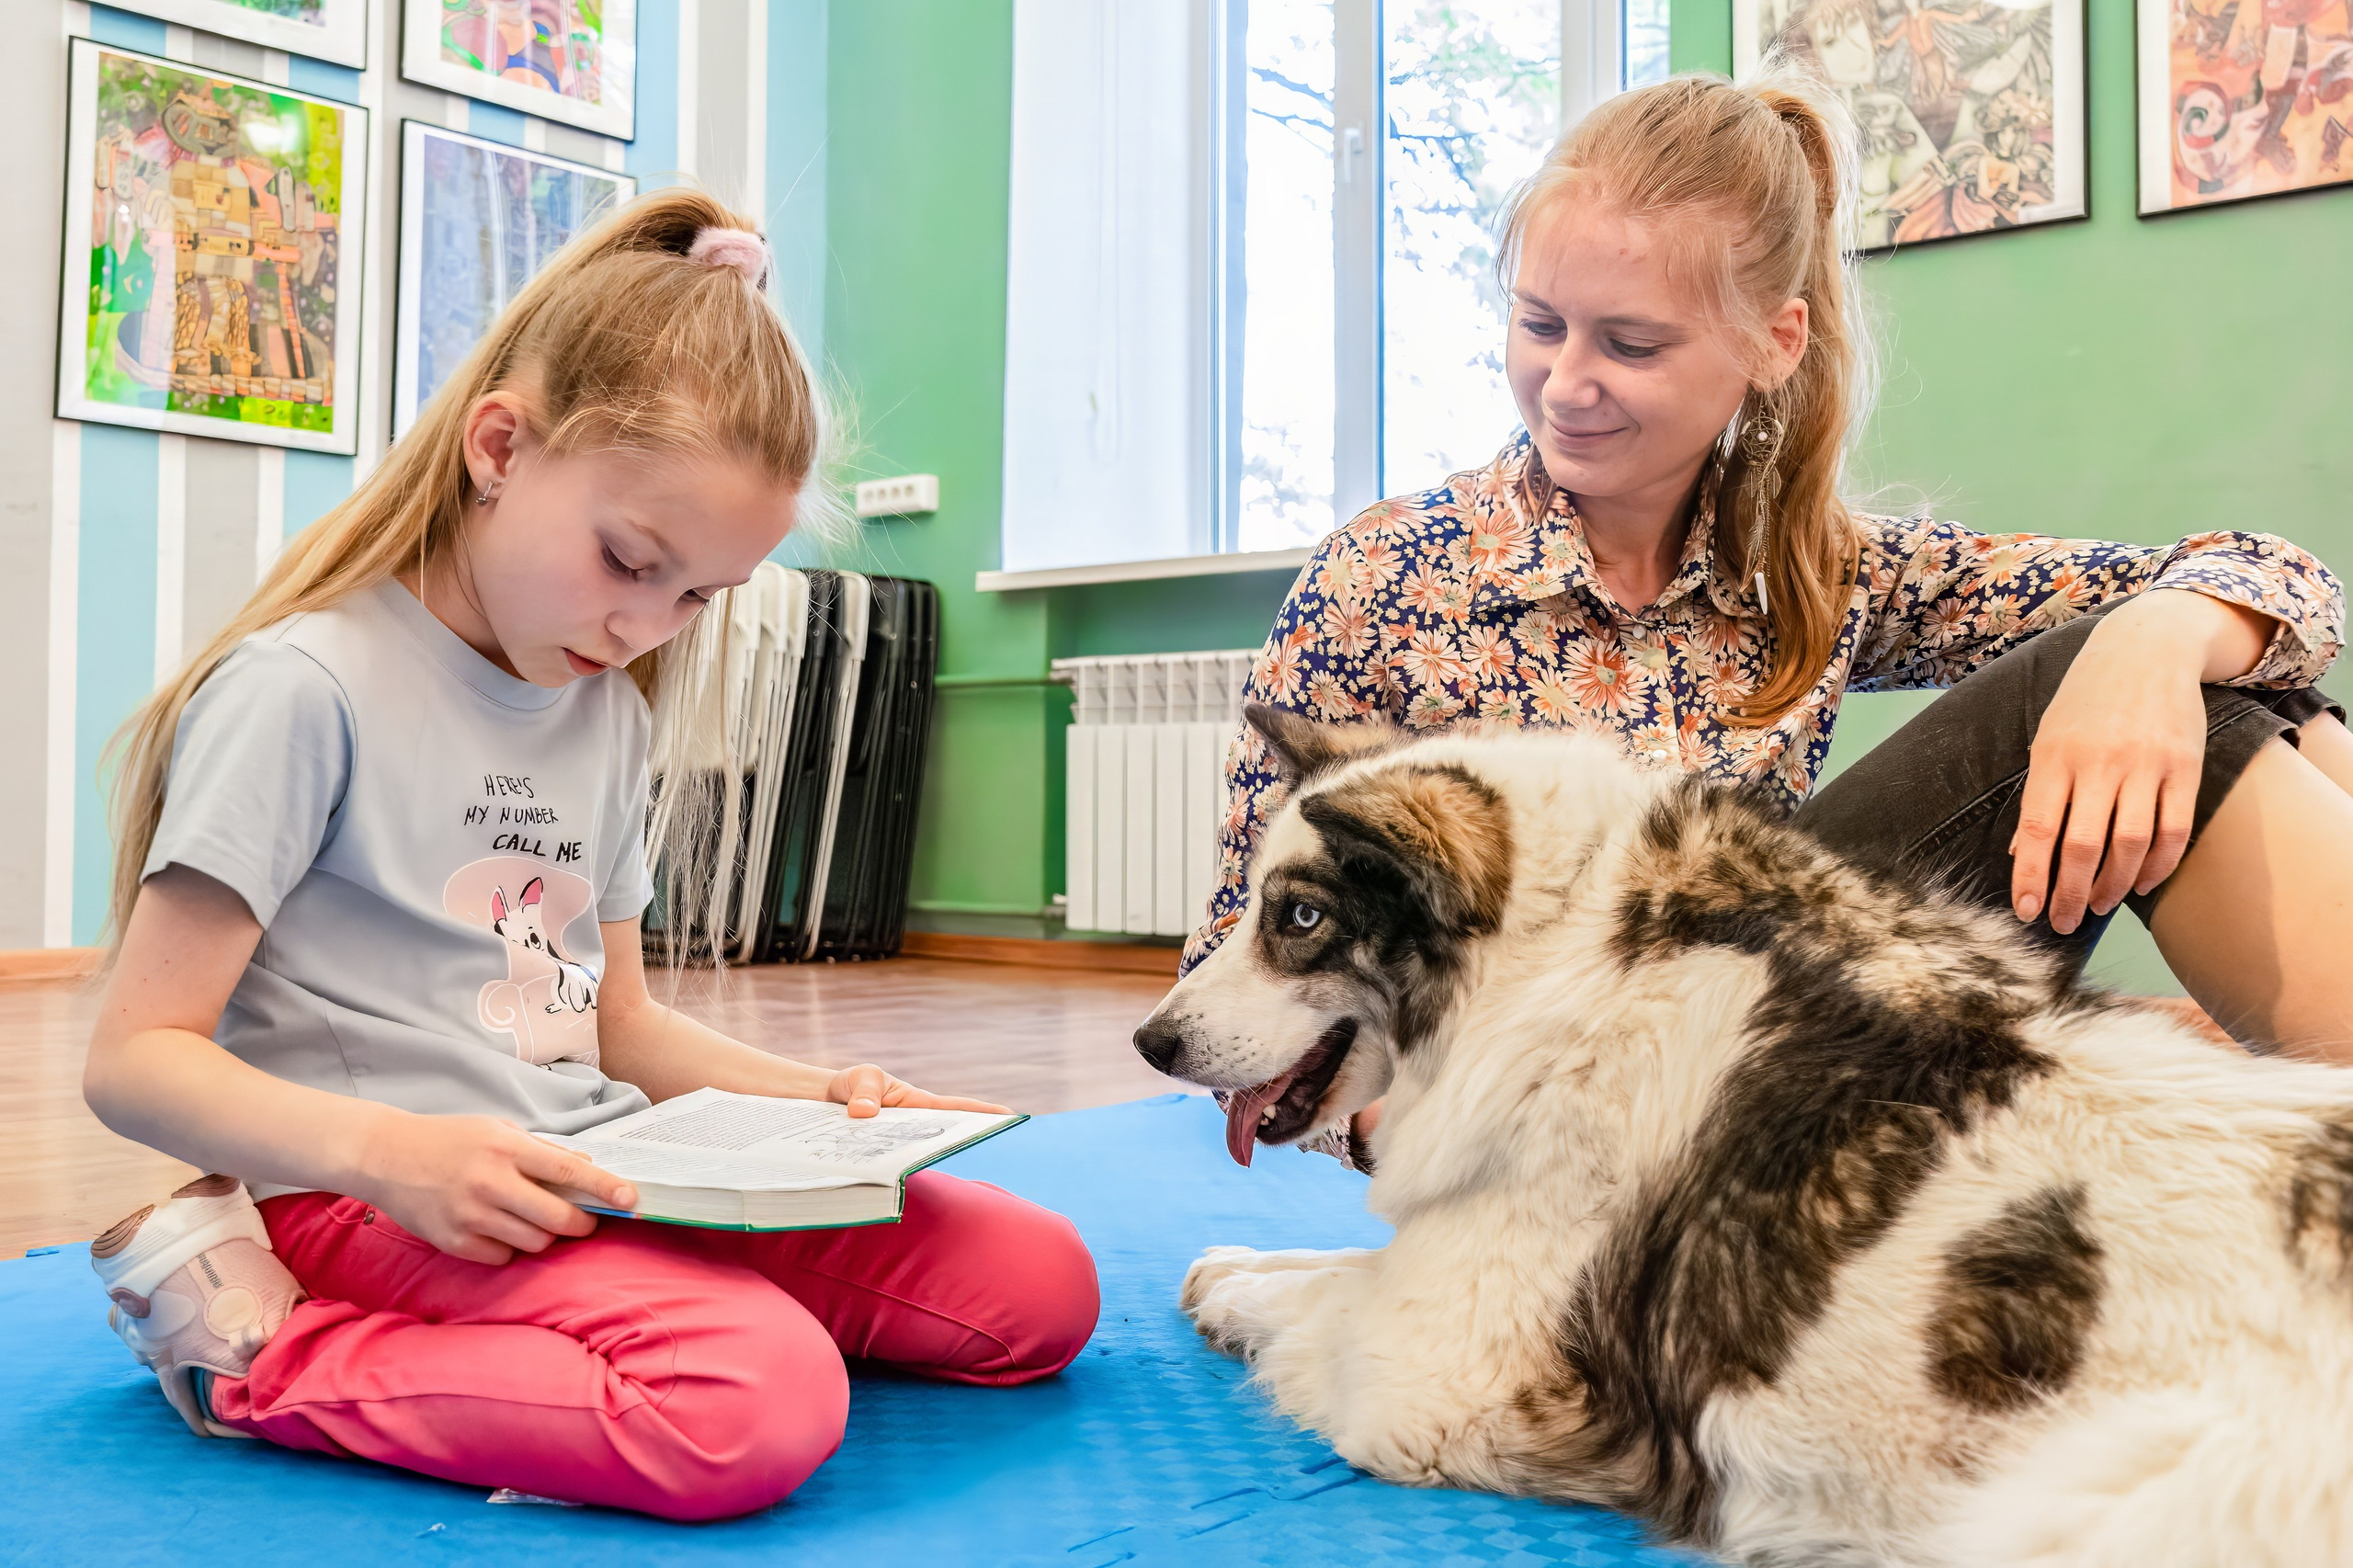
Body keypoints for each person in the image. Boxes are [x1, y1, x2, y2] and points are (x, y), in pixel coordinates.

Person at [80, 190, 1098, 1521]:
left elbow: (612, 1026)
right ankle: (261, 1357)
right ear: (499, 446)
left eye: (694, 597)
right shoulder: (302, 687)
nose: (644, 626)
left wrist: (827, 1100)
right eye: (630, 560)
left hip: (594, 1164)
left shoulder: (602, 710)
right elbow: (134, 1059)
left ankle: (626, 1312)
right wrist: (394, 1155)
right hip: (372, 1191)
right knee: (757, 1400)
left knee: (1042, 1292)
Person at [1185, 71, 2353, 1103]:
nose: (1565, 384)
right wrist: (1398, 1122)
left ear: (1773, 342)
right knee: (2192, 709)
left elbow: (2288, 583)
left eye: (1630, 344)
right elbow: (1233, 964)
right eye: (1539, 325)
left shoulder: (1812, 566)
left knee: (2209, 688)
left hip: (1762, 1079)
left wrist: (2146, 648)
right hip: (1559, 1116)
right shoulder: (1385, 576)